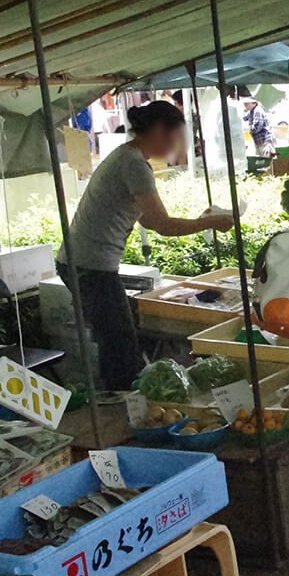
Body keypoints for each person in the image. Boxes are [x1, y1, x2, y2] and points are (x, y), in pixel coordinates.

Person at [56, 101, 235, 390]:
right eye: (175, 137)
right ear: (159, 131)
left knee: (117, 339)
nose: (176, 146)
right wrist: (210, 223)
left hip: (84, 261)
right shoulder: (134, 164)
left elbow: (148, 219)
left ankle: (123, 401)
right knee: (120, 345)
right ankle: (124, 407)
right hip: (90, 265)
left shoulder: (126, 158)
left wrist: (200, 221)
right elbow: (160, 224)